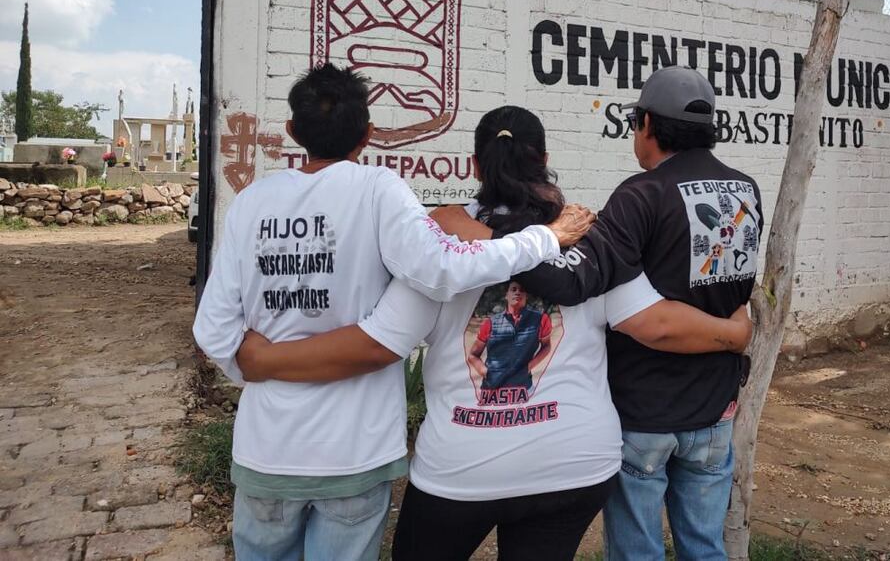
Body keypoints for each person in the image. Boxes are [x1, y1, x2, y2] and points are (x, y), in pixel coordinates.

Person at [234, 105, 753, 561]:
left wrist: (268, 360)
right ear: (545, 157)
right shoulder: (589, 240)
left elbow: (377, 343)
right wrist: (735, 332)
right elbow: (657, 324)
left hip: (461, 473)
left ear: (476, 166)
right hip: (573, 468)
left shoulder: (437, 244)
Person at [192, 66, 593, 561]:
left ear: (293, 132)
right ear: (367, 134)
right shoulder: (378, 190)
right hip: (354, 454)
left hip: (265, 449)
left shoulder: (251, 203)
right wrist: (543, 239)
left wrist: (258, 364)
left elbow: (213, 329)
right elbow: (442, 268)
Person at [436, 67, 765, 560]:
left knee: (638, 553)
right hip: (717, 409)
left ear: (647, 124)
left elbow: (573, 281)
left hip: (647, 411)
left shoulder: (643, 193)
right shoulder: (745, 190)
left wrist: (496, 238)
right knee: (705, 548)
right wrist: (733, 335)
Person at [469, 280, 552, 392]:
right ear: (506, 295)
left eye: (522, 290)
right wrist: (485, 371)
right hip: (491, 391)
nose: (517, 292)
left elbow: (546, 346)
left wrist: (529, 367)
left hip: (524, 388)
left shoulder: (540, 319)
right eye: (513, 289)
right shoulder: (490, 323)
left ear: (526, 296)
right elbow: (473, 355)